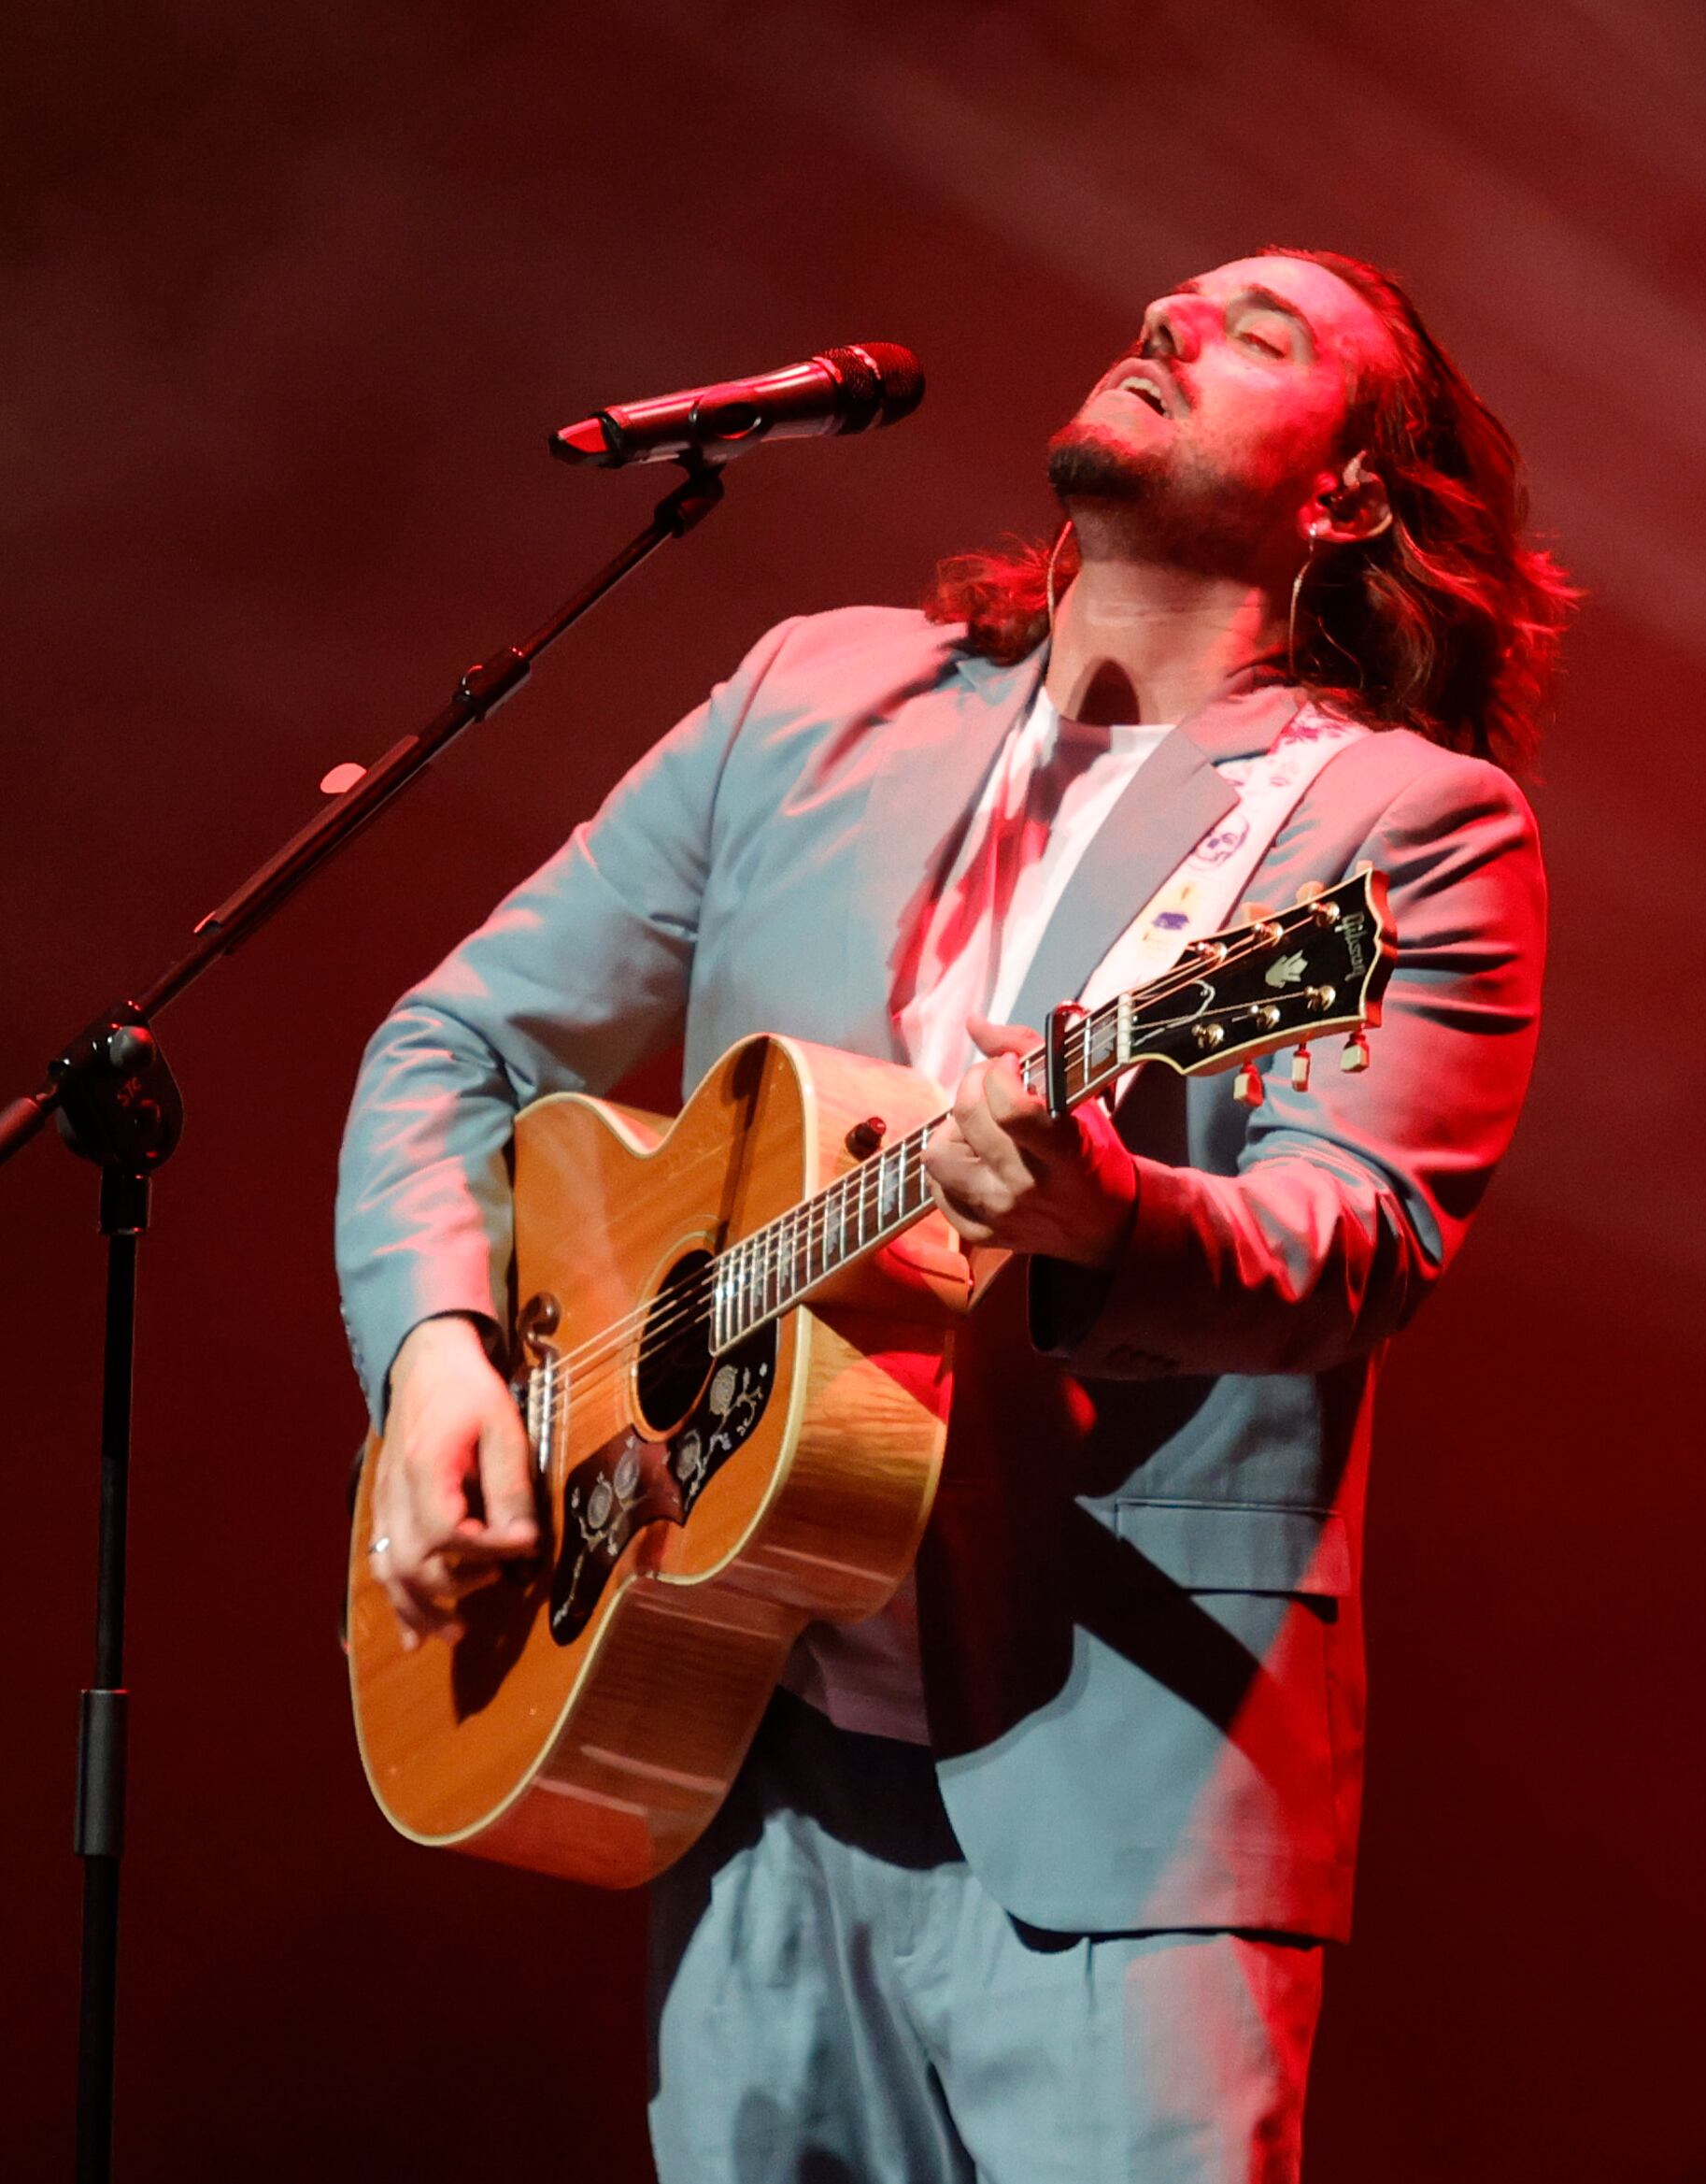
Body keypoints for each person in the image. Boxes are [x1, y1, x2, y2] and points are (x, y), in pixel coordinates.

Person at [337, 248, 1572, 2181]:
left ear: (1347, 496)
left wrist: (1112, 1211)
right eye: (1171, 301)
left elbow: (1360, 1235)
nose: (1173, 324)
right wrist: (433, 1355)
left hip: (1124, 1805)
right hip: (737, 1751)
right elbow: (454, 1048)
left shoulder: (1396, 828)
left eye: (1258, 336)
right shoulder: (808, 700)